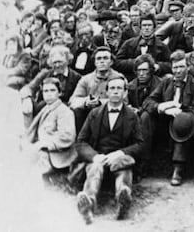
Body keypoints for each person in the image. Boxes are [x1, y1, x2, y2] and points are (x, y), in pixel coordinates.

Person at [74, 77, 144, 224]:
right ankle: (89, 203)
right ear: (106, 92)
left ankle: (122, 200)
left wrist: (121, 153)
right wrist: (94, 156)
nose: (115, 92)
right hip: (98, 158)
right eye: (112, 88)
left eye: (119, 88)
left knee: (123, 169)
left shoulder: (132, 116)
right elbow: (80, 142)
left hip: (119, 160)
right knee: (94, 170)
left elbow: (140, 145)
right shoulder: (94, 114)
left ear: (125, 93)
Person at [142, 50, 194, 186]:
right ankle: (143, 162)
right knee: (146, 116)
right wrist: (163, 107)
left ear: (188, 67)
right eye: (175, 67)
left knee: (182, 120)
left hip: (185, 124)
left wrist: (180, 108)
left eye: (181, 67)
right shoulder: (166, 82)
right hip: (164, 122)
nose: (178, 71)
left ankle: (178, 168)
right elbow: (148, 102)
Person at [23, 77, 77, 182]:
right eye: (45, 91)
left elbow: (67, 136)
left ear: (59, 93)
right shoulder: (45, 108)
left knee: (33, 170)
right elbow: (33, 130)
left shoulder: (64, 111)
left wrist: (44, 144)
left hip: (57, 154)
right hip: (43, 150)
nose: (49, 93)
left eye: (52, 90)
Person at [69, 47, 128, 131]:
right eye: (99, 59)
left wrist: (100, 102)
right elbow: (73, 101)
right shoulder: (86, 79)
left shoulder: (119, 78)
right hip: (89, 115)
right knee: (77, 112)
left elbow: (124, 101)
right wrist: (86, 102)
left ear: (111, 62)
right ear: (95, 62)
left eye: (105, 58)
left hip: (110, 113)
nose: (102, 61)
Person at [114, 13, 172, 81]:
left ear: (154, 27)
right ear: (140, 27)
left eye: (149, 25)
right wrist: (135, 63)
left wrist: (158, 66)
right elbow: (117, 62)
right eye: (144, 25)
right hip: (132, 78)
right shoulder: (129, 44)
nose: (146, 28)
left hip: (154, 79)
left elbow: (170, 64)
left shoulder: (162, 46)